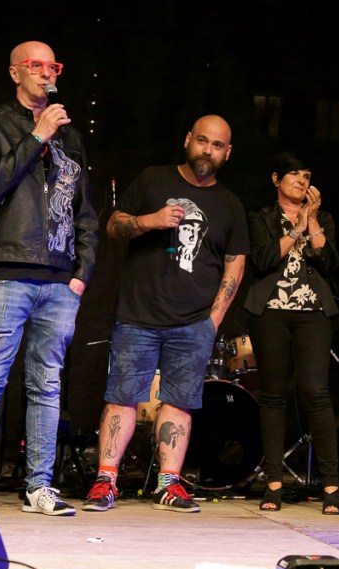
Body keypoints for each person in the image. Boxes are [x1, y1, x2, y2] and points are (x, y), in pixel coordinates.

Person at [83, 115, 248, 513]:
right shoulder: (153, 179)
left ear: (227, 153)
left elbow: (235, 263)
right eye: (202, 141)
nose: (207, 150)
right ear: (188, 140)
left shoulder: (229, 203)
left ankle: (168, 485)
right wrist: (148, 221)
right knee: (122, 398)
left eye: (217, 145)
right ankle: (106, 480)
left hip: (193, 322)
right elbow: (114, 225)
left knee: (179, 402)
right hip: (138, 315)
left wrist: (213, 320)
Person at [0, 41, 98, 515]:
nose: (46, 73)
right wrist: (37, 136)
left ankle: (39, 487)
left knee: (47, 386)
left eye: (52, 66)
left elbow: (84, 210)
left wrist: (81, 274)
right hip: (7, 274)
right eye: (36, 66)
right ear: (15, 73)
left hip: (59, 282)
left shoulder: (70, 135)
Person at [243, 151, 339, 515]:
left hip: (313, 313)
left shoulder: (323, 218)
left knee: (316, 391)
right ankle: (273, 483)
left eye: (307, 176)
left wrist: (311, 221)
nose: (302, 181)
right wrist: (295, 229)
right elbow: (264, 259)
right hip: (270, 313)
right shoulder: (260, 217)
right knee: (273, 394)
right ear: (276, 179)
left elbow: (328, 262)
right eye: (295, 175)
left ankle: (331, 485)